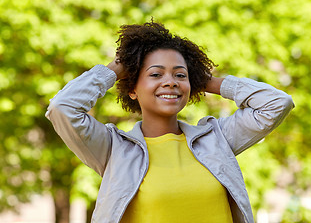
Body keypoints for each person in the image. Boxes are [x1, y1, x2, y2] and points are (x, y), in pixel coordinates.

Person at [46, 21, 294, 223]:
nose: (170, 81)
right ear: (132, 88)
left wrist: (204, 79)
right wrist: (117, 68)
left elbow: (276, 104)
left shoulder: (217, 140)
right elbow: (63, 108)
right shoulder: (113, 150)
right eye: (155, 74)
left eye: (179, 75)